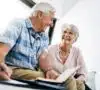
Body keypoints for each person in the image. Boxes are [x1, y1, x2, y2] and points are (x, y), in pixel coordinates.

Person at [0, 2, 55, 80]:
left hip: (30, 72)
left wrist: (49, 70)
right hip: (13, 69)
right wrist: (1, 65)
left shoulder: (44, 36)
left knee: (69, 80)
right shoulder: (18, 24)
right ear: (40, 14)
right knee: (46, 78)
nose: (51, 24)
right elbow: (2, 49)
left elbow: (43, 57)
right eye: (51, 19)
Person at [39, 23, 87, 90]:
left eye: (70, 33)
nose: (66, 35)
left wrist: (76, 81)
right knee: (70, 81)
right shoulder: (50, 49)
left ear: (75, 38)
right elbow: (42, 65)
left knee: (80, 84)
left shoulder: (77, 52)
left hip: (70, 83)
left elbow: (83, 74)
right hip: (53, 81)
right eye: (64, 32)